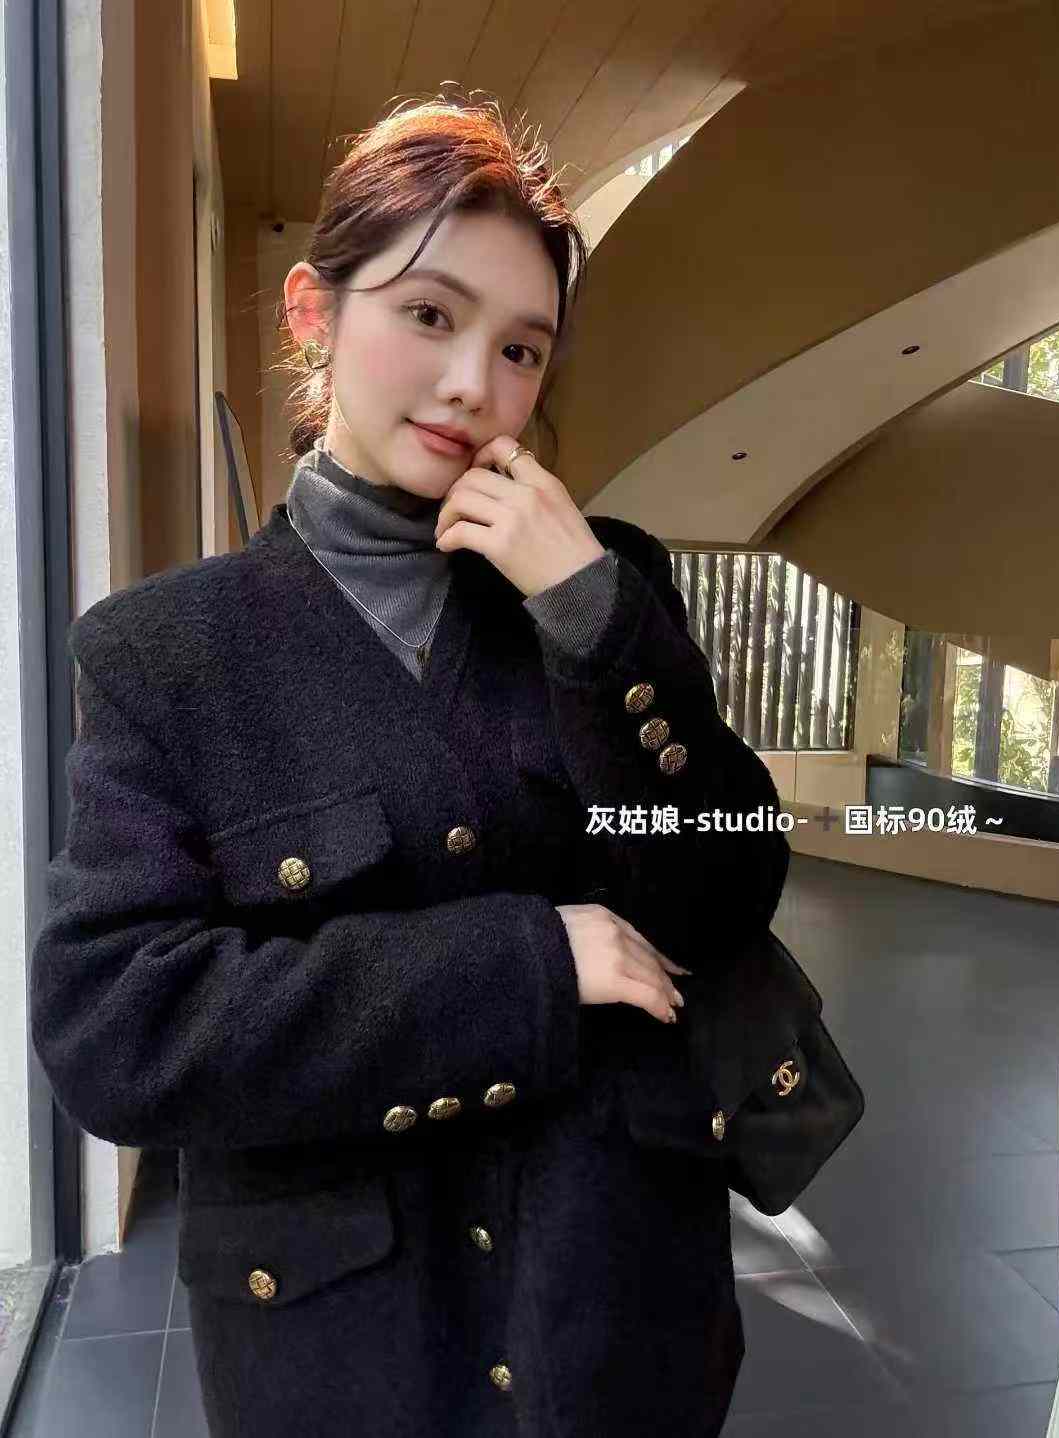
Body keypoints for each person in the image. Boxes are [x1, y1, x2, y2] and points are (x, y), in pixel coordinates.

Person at [30, 93, 790, 1437]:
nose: (473, 385)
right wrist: (526, 963)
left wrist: (594, 620)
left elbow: (726, 889)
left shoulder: (606, 583)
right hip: (344, 1351)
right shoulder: (166, 651)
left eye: (521, 348)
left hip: (613, 1315)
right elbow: (117, 1030)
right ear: (313, 312)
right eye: (430, 315)